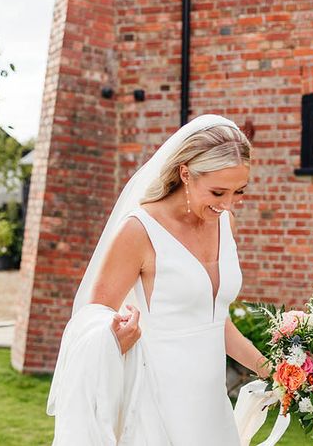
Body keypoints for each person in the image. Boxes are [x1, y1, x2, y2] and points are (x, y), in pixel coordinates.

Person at [47, 114, 272, 446]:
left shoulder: (225, 224)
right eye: (217, 191)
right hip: (157, 401)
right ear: (185, 174)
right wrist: (113, 337)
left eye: (238, 191)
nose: (227, 204)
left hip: (211, 405)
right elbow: (91, 315)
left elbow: (213, 321)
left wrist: (275, 370)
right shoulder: (140, 229)